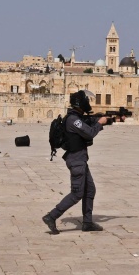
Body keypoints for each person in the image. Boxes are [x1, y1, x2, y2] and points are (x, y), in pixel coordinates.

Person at [42, 90, 108, 234]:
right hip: (76, 160)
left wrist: (105, 120)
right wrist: (100, 124)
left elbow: (89, 123)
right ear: (80, 103)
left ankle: (87, 222)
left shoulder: (76, 117)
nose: (88, 103)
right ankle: (51, 216)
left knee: (90, 190)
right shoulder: (73, 119)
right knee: (77, 193)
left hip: (81, 159)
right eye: (86, 101)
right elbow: (90, 132)